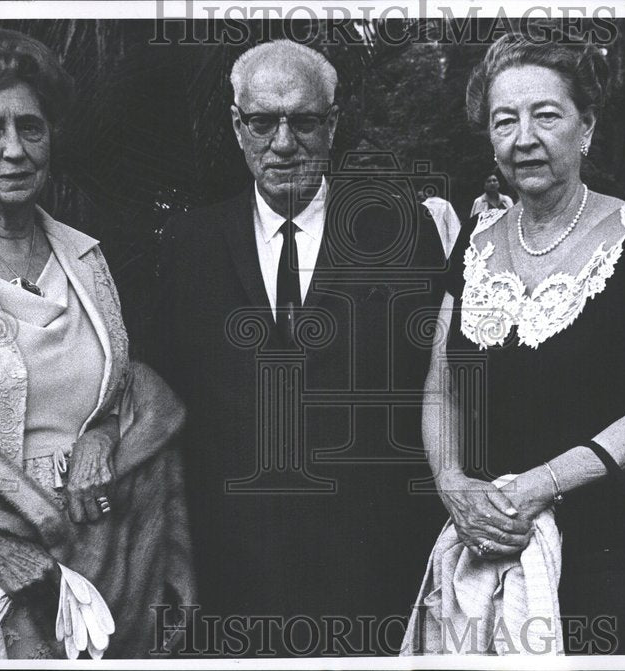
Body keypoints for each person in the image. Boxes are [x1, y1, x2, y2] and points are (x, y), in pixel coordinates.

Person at [0, 28, 194, 660]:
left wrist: (102, 435)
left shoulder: (87, 259)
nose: (15, 150)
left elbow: (117, 382)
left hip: (101, 565)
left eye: (31, 127)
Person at [153, 40, 447, 655]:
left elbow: (438, 389)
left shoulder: (398, 231)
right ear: (239, 127)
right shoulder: (189, 246)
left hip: (373, 573)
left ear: (332, 123)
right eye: (263, 122)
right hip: (235, 576)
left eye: (304, 121)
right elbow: (169, 403)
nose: (283, 143)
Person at [418, 33, 625, 653]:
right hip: (487, 551)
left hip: (615, 551)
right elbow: (440, 386)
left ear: (585, 127)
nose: (524, 138)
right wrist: (452, 481)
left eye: (546, 115)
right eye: (504, 120)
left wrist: (533, 487)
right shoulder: (475, 240)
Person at [418, 188, 462, 258]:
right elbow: (455, 230)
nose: (418, 193)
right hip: (445, 251)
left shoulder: (420, 207)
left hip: (427, 252)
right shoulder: (444, 204)